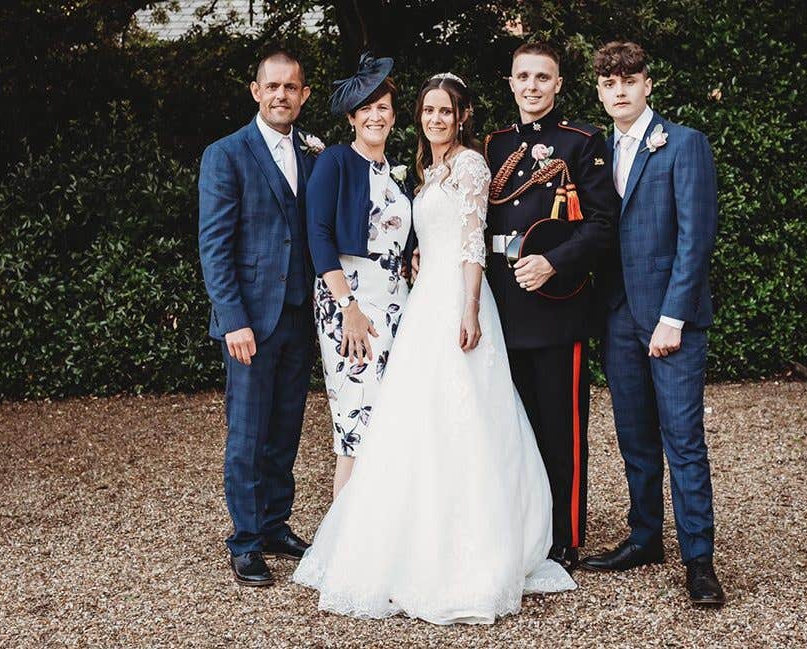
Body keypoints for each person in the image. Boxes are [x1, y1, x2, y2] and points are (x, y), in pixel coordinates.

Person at [293, 72, 575, 625]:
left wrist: (468, 306)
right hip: (417, 303)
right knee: (410, 418)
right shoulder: (426, 170)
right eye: (428, 111)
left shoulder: (469, 164)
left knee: (462, 413)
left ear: (461, 115)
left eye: (445, 111)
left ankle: (465, 542)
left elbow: (472, 242)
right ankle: (396, 532)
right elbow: (401, 233)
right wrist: (414, 258)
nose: (436, 119)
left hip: (454, 302)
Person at [580, 41, 725, 607]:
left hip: (670, 320)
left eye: (629, 80)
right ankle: (644, 538)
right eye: (609, 82)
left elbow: (696, 238)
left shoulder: (683, 144)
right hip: (615, 314)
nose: (619, 90)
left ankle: (699, 560)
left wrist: (674, 317)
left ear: (647, 85)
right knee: (634, 438)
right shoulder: (596, 150)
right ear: (599, 90)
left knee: (683, 441)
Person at [482, 42, 617, 571]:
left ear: (558, 84)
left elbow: (603, 225)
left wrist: (554, 263)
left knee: (561, 430)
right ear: (510, 82)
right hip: (501, 309)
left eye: (543, 77)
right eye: (523, 76)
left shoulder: (582, 143)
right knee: (508, 426)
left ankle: (565, 536)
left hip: (556, 307)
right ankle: (519, 528)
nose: (532, 86)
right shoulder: (492, 146)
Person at [198, 48, 319, 587]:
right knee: (247, 433)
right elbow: (215, 246)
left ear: (303, 94)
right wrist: (232, 320)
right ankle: (245, 541)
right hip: (250, 321)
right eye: (272, 86)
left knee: (285, 428)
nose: (280, 96)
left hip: (298, 316)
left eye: (290, 88)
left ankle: (274, 524)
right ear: (256, 91)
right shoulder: (226, 154)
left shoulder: (313, 155)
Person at [306, 53, 415, 497]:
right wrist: (347, 308)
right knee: (355, 421)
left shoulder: (397, 174)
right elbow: (318, 235)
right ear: (352, 116)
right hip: (348, 303)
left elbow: (402, 238)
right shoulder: (334, 162)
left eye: (383, 107)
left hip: (397, 305)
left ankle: (385, 530)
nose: (375, 115)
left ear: (392, 116)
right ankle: (344, 546)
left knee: (392, 418)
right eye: (366, 107)